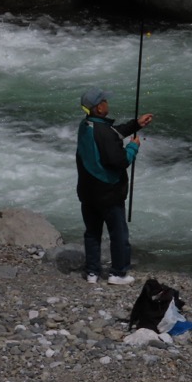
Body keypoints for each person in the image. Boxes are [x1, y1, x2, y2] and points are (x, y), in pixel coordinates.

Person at [76, 87, 153, 285]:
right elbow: (119, 161)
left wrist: (135, 125)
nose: (107, 103)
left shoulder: (86, 126)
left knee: (92, 233)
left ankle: (92, 272)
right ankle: (118, 273)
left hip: (87, 192)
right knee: (118, 235)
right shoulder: (104, 133)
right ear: (99, 108)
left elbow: (111, 134)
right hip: (108, 194)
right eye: (105, 101)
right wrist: (133, 147)